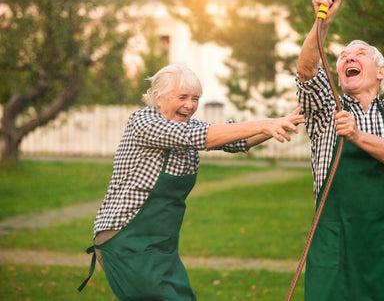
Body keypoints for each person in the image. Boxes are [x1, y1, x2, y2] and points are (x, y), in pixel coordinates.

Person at [79, 63, 305, 300]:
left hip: (162, 246)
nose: (190, 105)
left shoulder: (186, 124)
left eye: (195, 98)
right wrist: (263, 123)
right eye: (183, 97)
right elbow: (198, 137)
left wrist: (285, 121)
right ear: (158, 98)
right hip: (126, 240)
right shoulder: (143, 122)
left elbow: (238, 141)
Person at [295, 0, 384, 300]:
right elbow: (307, 70)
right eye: (343, 57)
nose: (348, 58)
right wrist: (322, 21)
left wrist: (356, 136)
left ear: (380, 72)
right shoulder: (327, 107)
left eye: (359, 54)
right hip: (334, 246)